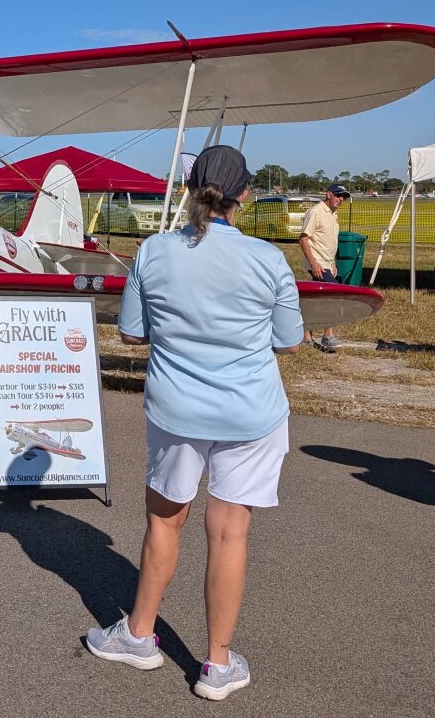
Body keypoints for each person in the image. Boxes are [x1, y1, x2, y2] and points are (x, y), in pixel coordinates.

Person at [86, 145, 303, 703]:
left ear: (187, 189)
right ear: (244, 195)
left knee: (165, 523)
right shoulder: (268, 260)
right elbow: (288, 339)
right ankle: (218, 664)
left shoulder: (153, 252)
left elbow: (132, 332)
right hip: (249, 411)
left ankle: (138, 634)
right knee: (229, 532)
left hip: (176, 409)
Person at [299, 183, 349, 351]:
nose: (341, 199)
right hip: (317, 263)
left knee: (317, 299)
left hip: (327, 263)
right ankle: (327, 335)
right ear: (328, 194)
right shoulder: (316, 212)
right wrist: (314, 264)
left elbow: (328, 242)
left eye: (343, 197)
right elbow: (304, 239)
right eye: (338, 195)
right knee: (333, 295)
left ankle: (306, 336)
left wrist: (332, 262)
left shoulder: (333, 214)